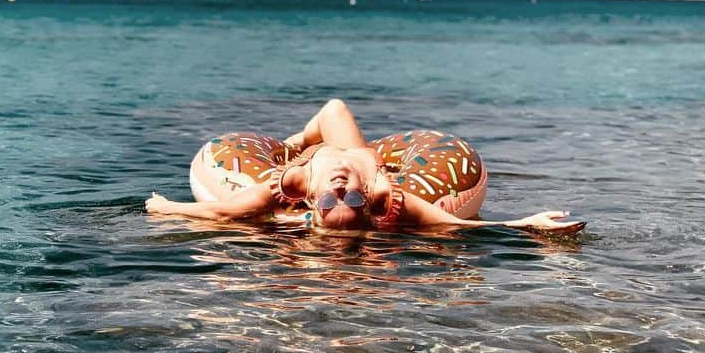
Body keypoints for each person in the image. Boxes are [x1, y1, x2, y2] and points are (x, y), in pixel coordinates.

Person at [144, 99, 585, 235]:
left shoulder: (294, 182)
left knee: (331, 113)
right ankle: (300, 138)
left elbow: (223, 213)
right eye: (350, 198)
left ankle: (296, 141)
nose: (341, 186)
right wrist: (527, 223)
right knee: (336, 113)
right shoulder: (382, 191)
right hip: (368, 153)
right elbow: (455, 225)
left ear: (312, 202)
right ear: (366, 202)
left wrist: (166, 208)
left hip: (304, 156)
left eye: (333, 198)